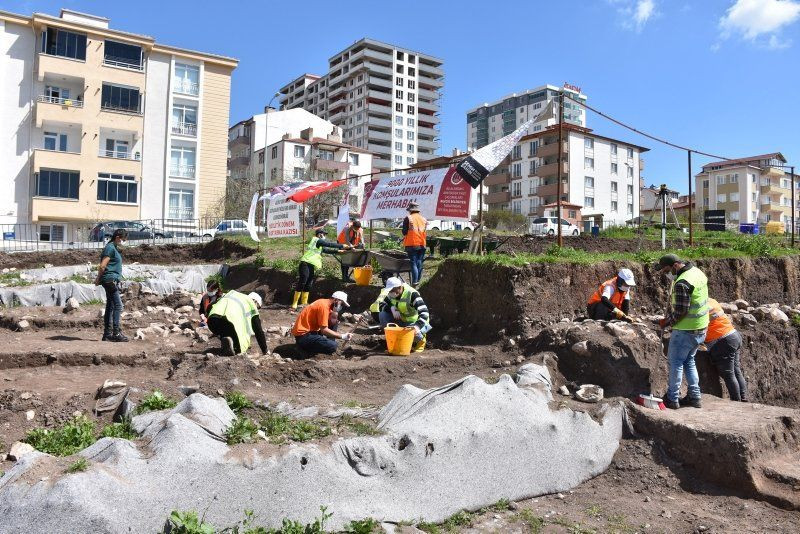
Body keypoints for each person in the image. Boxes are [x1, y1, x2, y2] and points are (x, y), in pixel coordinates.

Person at [655, 254, 709, 410]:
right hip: (701, 328)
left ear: (675, 265)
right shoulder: (697, 273)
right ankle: (695, 396)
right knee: (689, 361)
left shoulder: (681, 283)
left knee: (676, 363)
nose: (666, 274)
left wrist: (666, 322)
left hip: (685, 330)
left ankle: (672, 398)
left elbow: (681, 312)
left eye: (666, 270)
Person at [291, 228, 351, 309]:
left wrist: (338, 251)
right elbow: (329, 244)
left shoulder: (319, 244)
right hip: (305, 263)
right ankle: (294, 303)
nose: (324, 236)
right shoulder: (317, 240)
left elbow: (326, 250)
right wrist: (342, 245)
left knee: (308, 283)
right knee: (303, 282)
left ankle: (304, 303)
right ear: (319, 234)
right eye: (324, 234)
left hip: (311, 264)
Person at [705, 298, 748, 402]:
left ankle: (736, 402)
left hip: (722, 341)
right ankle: (744, 398)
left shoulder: (699, 306)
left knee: (729, 374)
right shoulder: (711, 301)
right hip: (733, 335)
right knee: (736, 370)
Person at [206, 290, 268, 356]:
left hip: (212, 320)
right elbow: (258, 331)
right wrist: (265, 350)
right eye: (258, 307)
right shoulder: (251, 304)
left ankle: (226, 341)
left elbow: (211, 306)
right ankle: (233, 346)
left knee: (225, 327)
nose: (257, 309)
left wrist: (207, 315)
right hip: (230, 322)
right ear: (255, 301)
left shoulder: (233, 293)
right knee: (239, 346)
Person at [378, 277, 431, 352]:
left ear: (400, 287)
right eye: (389, 291)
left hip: (414, 323)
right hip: (400, 320)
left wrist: (417, 326)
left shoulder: (412, 294)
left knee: (415, 332)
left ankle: (420, 342)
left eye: (393, 290)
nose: (390, 293)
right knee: (383, 315)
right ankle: (395, 341)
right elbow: (380, 304)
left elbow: (424, 312)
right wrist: (392, 308)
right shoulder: (388, 293)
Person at [292, 291, 353, 355]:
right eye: (342, 304)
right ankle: (305, 350)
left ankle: (328, 344)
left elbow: (332, 322)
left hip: (310, 333)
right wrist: (342, 336)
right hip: (303, 336)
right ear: (336, 300)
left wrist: (335, 311)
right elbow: (324, 330)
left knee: (335, 323)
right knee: (333, 346)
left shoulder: (326, 304)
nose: (341, 306)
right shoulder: (323, 306)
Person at [94, 228, 128, 342]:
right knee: (119, 306)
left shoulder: (114, 248)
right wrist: (98, 279)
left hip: (110, 280)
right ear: (117, 237)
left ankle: (107, 334)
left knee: (111, 306)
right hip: (109, 280)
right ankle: (116, 333)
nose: (123, 241)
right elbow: (103, 265)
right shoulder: (110, 248)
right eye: (123, 239)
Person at [402, 203, 427, 287]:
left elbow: (404, 232)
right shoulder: (423, 219)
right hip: (422, 244)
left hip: (412, 244)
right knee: (419, 262)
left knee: (413, 263)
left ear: (410, 210)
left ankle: (414, 282)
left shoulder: (408, 218)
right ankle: (418, 281)